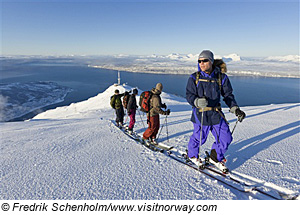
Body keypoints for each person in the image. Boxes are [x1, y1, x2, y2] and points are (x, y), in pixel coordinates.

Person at [186, 50, 246, 168]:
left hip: (216, 114)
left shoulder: (221, 78)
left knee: (226, 137)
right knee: (199, 138)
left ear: (211, 61)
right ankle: (192, 155)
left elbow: (228, 95)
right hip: (200, 114)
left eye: (204, 60)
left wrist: (235, 109)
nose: (201, 63)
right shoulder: (194, 77)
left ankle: (215, 157)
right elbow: (189, 95)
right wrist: (196, 101)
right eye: (199, 61)